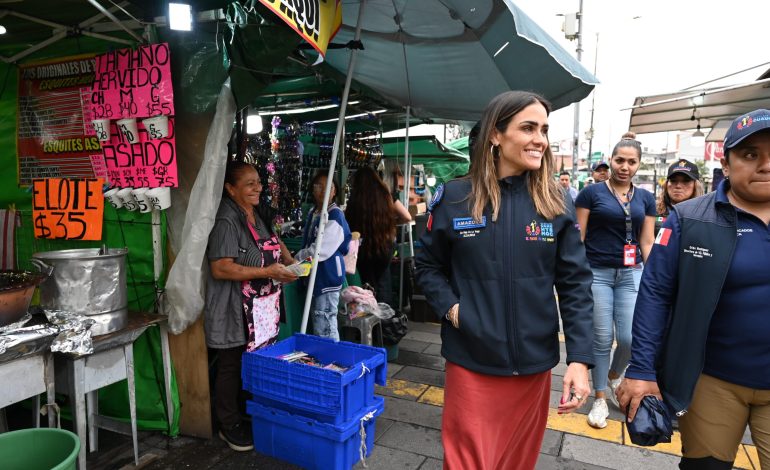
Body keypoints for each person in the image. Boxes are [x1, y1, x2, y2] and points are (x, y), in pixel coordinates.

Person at [415, 91, 594, 470]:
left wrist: (579, 359)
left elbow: (575, 284)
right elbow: (427, 266)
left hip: (533, 365)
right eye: (528, 128)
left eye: (544, 130)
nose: (539, 139)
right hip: (471, 358)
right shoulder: (454, 197)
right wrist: (452, 309)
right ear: (496, 135)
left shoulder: (557, 201)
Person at [617, 109, 770, 469]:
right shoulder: (689, 219)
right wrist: (641, 369)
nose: (765, 165)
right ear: (726, 164)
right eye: (750, 154)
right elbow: (655, 293)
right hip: (711, 380)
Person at [205, 161, 297, 451]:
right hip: (233, 307)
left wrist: (293, 264)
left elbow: (274, 242)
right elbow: (220, 268)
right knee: (231, 363)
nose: (257, 187)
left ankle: (247, 412)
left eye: (258, 181)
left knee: (255, 360)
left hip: (260, 307)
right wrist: (269, 272)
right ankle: (228, 424)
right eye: (249, 184)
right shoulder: (226, 220)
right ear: (230, 189)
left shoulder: (256, 213)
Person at [574, 132, 656, 429]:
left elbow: (647, 242)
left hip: (632, 273)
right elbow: (578, 237)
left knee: (631, 338)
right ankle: (598, 398)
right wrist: (576, 273)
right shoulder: (591, 194)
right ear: (611, 161)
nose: (625, 166)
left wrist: (654, 277)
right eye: (619, 160)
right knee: (601, 338)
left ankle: (612, 376)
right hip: (597, 272)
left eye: (631, 162)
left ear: (638, 165)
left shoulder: (646, 198)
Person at [295, 171, 351, 341]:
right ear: (312, 189)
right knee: (319, 321)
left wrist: (296, 258)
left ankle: (331, 363)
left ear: (334, 191)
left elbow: (321, 249)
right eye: (319, 186)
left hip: (327, 277)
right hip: (316, 276)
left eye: (329, 187)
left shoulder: (335, 215)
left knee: (325, 323)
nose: (323, 190)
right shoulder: (314, 212)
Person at [345, 166, 411, 306]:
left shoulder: (355, 200)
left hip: (363, 249)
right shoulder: (386, 195)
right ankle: (385, 319)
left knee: (365, 285)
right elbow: (407, 216)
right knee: (383, 281)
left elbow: (349, 226)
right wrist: (391, 222)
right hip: (384, 245)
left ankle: (369, 319)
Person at [654, 159, 704, 233]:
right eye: (673, 180)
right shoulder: (652, 210)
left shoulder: (705, 214)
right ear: (666, 184)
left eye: (686, 181)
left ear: (696, 185)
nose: (678, 186)